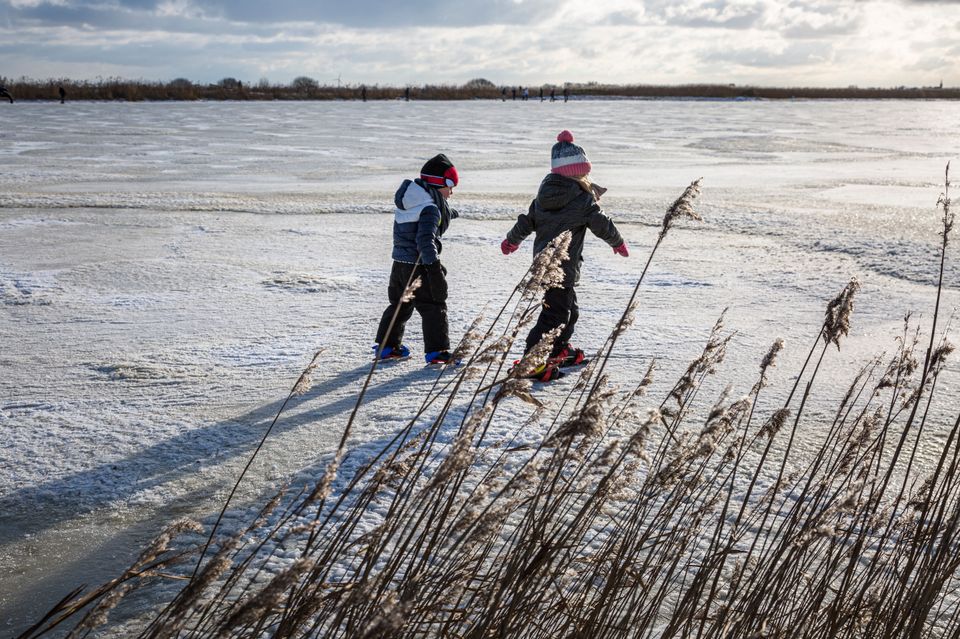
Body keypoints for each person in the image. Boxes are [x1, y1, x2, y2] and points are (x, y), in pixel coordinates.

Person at [500, 131, 628, 381]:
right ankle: (532, 359)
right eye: (583, 172)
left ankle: (557, 350)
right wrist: (618, 242)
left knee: (569, 311)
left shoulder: (543, 196)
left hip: (545, 265)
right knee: (555, 315)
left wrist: (512, 240)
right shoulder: (581, 199)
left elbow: (528, 221)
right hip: (563, 268)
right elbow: (601, 223)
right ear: (575, 172)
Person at [375, 154, 460, 364]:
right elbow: (425, 240)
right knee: (433, 306)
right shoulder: (431, 209)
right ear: (437, 184)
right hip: (420, 266)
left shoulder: (411, 203)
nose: (452, 191)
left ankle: (387, 347)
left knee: (399, 304)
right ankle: (437, 351)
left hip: (399, 264)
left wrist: (449, 214)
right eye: (450, 185)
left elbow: (417, 226)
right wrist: (434, 268)